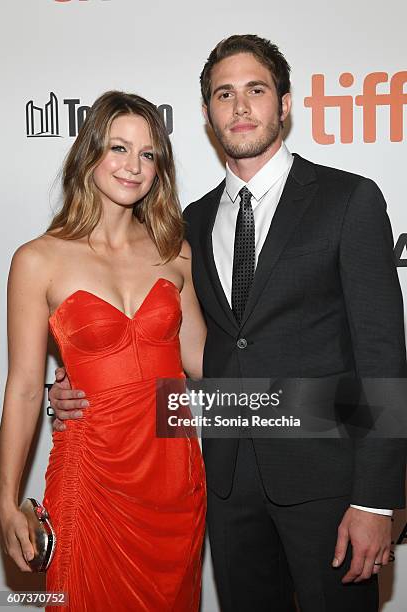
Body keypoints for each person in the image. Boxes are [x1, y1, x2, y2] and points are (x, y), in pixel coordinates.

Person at [48, 36, 407, 611]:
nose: (240, 107)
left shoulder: (349, 201)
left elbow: (384, 355)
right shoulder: (186, 224)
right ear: (208, 113)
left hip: (330, 490)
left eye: (256, 90)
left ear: (284, 105)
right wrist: (80, 386)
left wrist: (377, 500)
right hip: (225, 485)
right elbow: (198, 352)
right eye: (224, 94)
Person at [0, 90, 206, 611]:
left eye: (148, 153)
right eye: (118, 148)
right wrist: (4, 502)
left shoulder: (175, 252)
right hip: (92, 477)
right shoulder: (38, 260)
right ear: (89, 153)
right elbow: (25, 388)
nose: (133, 166)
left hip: (174, 478)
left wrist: (317, 400)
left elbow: (207, 363)